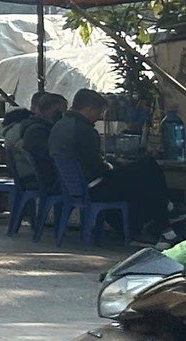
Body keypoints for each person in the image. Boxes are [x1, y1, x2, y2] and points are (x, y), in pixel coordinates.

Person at [49, 88, 171, 238]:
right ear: (89, 109)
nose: (99, 117)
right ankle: (164, 220)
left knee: (142, 176)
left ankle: (154, 219)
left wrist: (114, 163)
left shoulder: (59, 126)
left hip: (75, 186)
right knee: (148, 167)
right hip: (95, 187)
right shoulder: (84, 130)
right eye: (99, 112)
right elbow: (98, 167)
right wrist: (113, 165)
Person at [3, 91, 66, 194]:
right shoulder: (37, 131)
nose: (61, 116)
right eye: (58, 112)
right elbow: (50, 157)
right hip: (38, 179)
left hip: (26, 176)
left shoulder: (31, 127)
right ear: (45, 110)